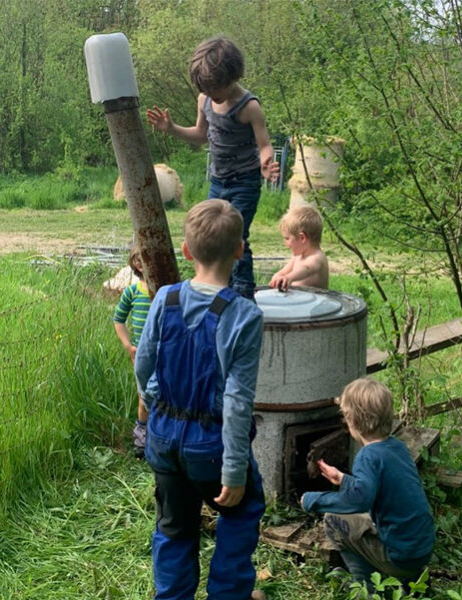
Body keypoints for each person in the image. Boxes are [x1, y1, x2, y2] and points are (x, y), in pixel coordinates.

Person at [135, 199, 266, 600]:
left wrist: (157, 401)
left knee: (174, 526)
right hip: (212, 445)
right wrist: (232, 473)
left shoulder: (165, 299)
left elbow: (143, 365)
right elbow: (238, 402)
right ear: (240, 250)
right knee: (242, 511)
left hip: (164, 438)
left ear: (187, 251)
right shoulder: (244, 315)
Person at [146, 36, 280, 300]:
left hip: (244, 182)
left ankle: (241, 295)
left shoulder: (249, 107)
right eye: (206, 90)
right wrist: (171, 128)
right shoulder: (204, 101)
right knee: (209, 232)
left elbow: (264, 144)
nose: (211, 95)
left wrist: (266, 162)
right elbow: (200, 135)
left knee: (235, 234)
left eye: (215, 89)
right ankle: (216, 287)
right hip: (218, 181)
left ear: (233, 76)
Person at [301, 377, 434, 594]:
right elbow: (374, 489)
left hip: (400, 556)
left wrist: (313, 500)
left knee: (333, 520)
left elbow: (359, 500)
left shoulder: (367, 456)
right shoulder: (396, 447)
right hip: (421, 548)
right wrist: (344, 480)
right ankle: (412, 582)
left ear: (352, 420)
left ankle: (368, 588)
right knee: (365, 519)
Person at [112, 244, 152, 459]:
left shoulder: (165, 291)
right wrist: (128, 346)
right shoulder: (133, 291)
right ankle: (141, 438)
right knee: (143, 396)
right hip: (141, 353)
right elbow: (118, 319)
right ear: (136, 264)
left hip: (164, 352)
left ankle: (162, 435)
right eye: (141, 259)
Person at [269, 205, 329, 291]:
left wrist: (289, 277)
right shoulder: (297, 256)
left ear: (302, 238)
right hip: (297, 299)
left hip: (315, 302)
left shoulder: (317, 257)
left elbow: (307, 268)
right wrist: (278, 275)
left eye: (287, 238)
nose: (285, 244)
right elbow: (285, 270)